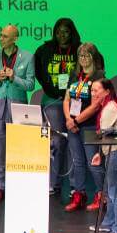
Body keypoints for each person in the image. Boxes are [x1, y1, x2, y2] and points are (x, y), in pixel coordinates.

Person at [0, 24, 36, 204]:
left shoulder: (28, 57)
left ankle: (17, 185)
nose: (1, 38)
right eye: (0, 35)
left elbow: (31, 85)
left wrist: (14, 78)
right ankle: (0, 187)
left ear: (15, 38)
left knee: (18, 149)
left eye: (5, 36)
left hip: (18, 107)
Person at [33, 18, 82, 196]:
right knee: (56, 142)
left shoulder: (79, 50)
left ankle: (76, 186)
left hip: (76, 102)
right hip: (52, 100)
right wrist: (48, 87)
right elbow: (38, 70)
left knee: (74, 142)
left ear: (72, 33)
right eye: (58, 31)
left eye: (66, 31)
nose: (62, 35)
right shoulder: (44, 50)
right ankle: (53, 183)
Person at [64, 43, 106, 212]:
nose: (83, 59)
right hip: (73, 126)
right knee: (77, 162)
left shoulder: (99, 77)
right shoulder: (75, 75)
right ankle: (79, 194)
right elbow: (66, 99)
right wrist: (68, 119)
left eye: (86, 56)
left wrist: (77, 120)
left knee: (93, 163)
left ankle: (101, 195)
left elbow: (96, 105)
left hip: (90, 126)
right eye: (80, 56)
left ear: (93, 58)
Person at [89, 78, 117, 233]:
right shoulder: (107, 106)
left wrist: (99, 151)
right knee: (110, 190)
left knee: (116, 191)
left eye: (96, 90)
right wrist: (99, 154)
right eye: (91, 90)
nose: (92, 93)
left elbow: (103, 133)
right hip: (112, 150)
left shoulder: (110, 108)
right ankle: (108, 224)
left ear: (107, 92)